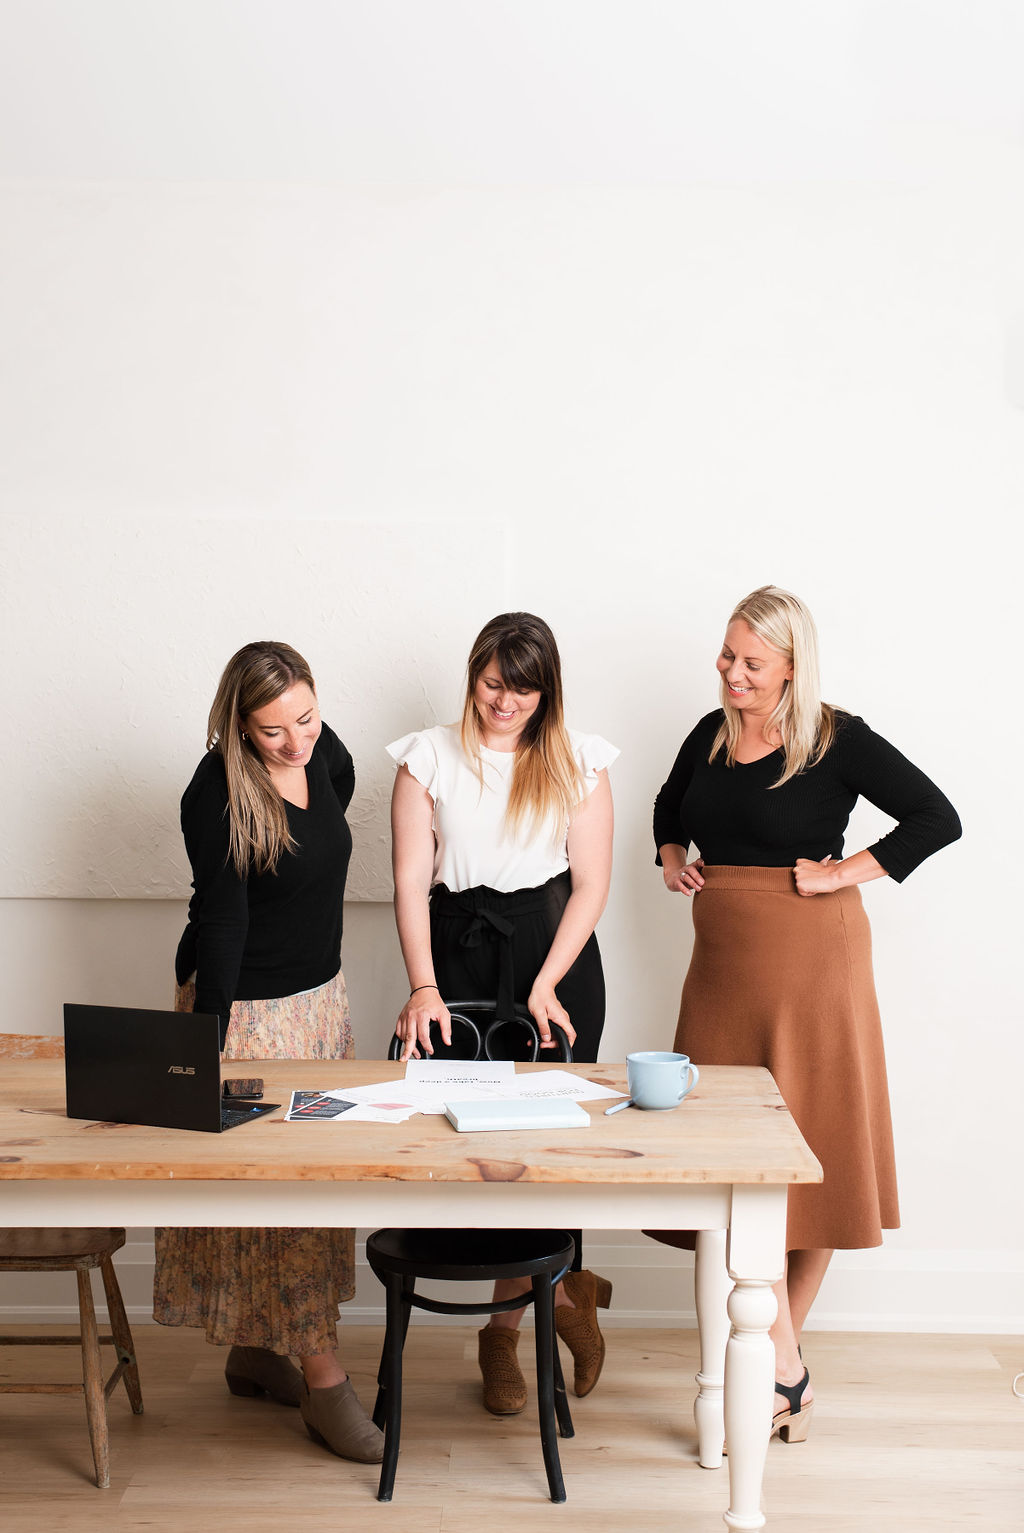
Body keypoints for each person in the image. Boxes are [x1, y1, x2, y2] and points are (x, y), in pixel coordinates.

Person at [650, 586, 961, 1444]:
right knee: (723, 1164)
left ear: (792, 665)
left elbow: (939, 817)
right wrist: (672, 854)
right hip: (720, 970)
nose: (732, 671)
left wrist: (842, 870)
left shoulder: (837, 737)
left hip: (813, 967)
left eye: (752, 661)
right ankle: (785, 1367)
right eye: (727, 654)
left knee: (814, 1151)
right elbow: (667, 809)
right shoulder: (707, 734)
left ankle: (778, 1362)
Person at [153, 641, 383, 1464]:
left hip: (320, 1009)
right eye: (272, 730)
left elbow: (331, 811)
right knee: (278, 1204)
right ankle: (324, 1383)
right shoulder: (213, 791)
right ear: (237, 725)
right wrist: (204, 1044)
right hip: (248, 1016)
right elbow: (224, 920)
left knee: (310, 1198)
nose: (295, 742)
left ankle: (258, 1350)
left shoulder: (327, 755)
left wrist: (311, 740)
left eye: (306, 719)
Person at [386, 612, 618, 1414]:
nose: (505, 703)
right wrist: (423, 987)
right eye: (493, 684)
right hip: (455, 952)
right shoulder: (426, 757)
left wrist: (547, 982)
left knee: (539, 1151)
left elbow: (589, 883)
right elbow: (412, 880)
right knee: (450, 1137)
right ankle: (561, 1299)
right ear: (473, 674)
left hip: (553, 957)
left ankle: (503, 1330)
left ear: (545, 689)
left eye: (524, 689)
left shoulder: (580, 759)